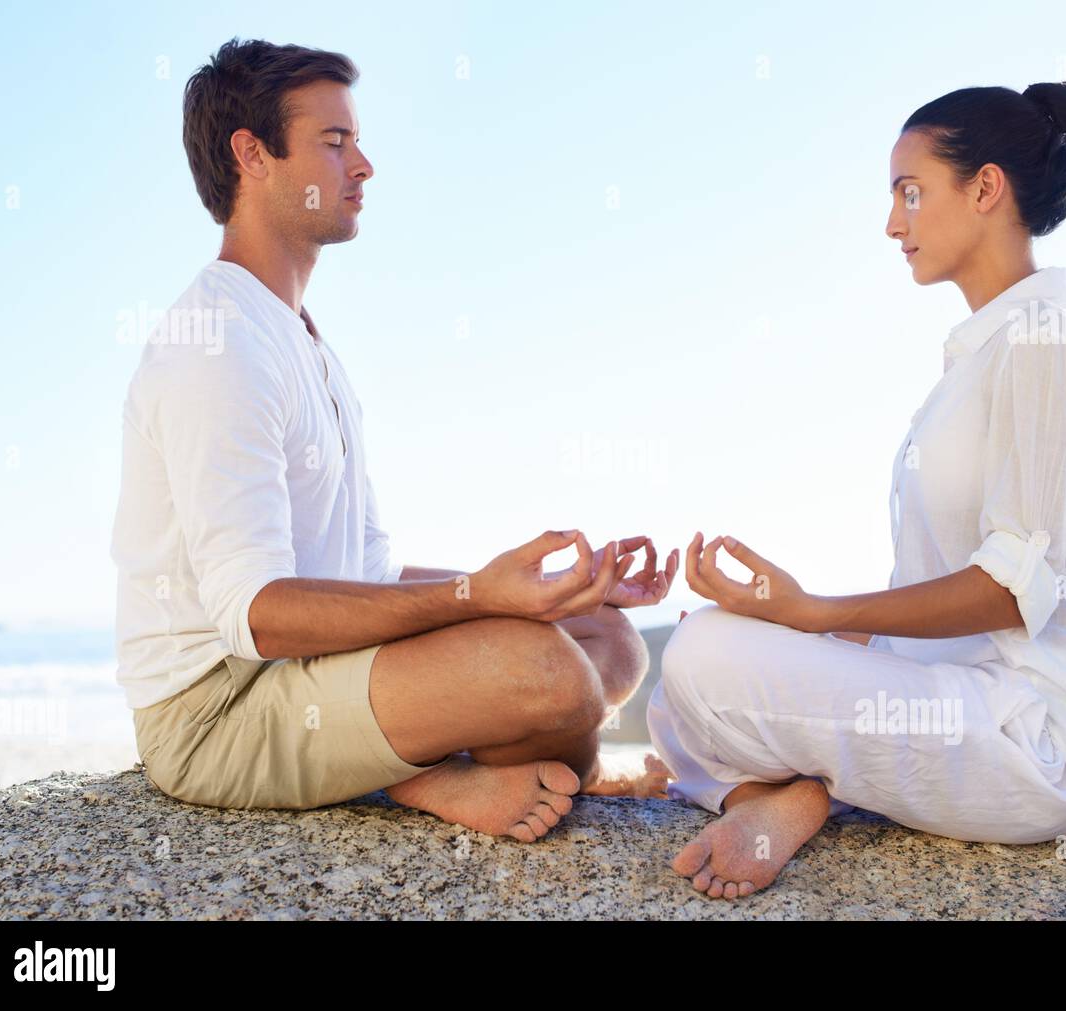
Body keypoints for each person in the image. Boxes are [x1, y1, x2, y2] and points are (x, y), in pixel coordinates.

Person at [111, 38, 678, 844]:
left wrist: (555, 590)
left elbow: (366, 573)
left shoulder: (302, 339)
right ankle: (426, 776)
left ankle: (450, 759)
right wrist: (478, 600)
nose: (364, 163)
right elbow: (257, 613)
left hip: (305, 672)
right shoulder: (218, 343)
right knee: (549, 673)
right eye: (334, 142)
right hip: (220, 709)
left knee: (607, 642)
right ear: (252, 155)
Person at [646, 82, 1066, 900]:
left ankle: (806, 786)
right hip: (955, 693)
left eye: (910, 192)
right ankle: (784, 796)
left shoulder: (1043, 344)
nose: (893, 223)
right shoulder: (979, 356)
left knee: (704, 659)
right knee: (693, 656)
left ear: (985, 187)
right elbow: (930, 617)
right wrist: (785, 619)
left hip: (1035, 736)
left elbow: (1010, 594)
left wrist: (816, 614)